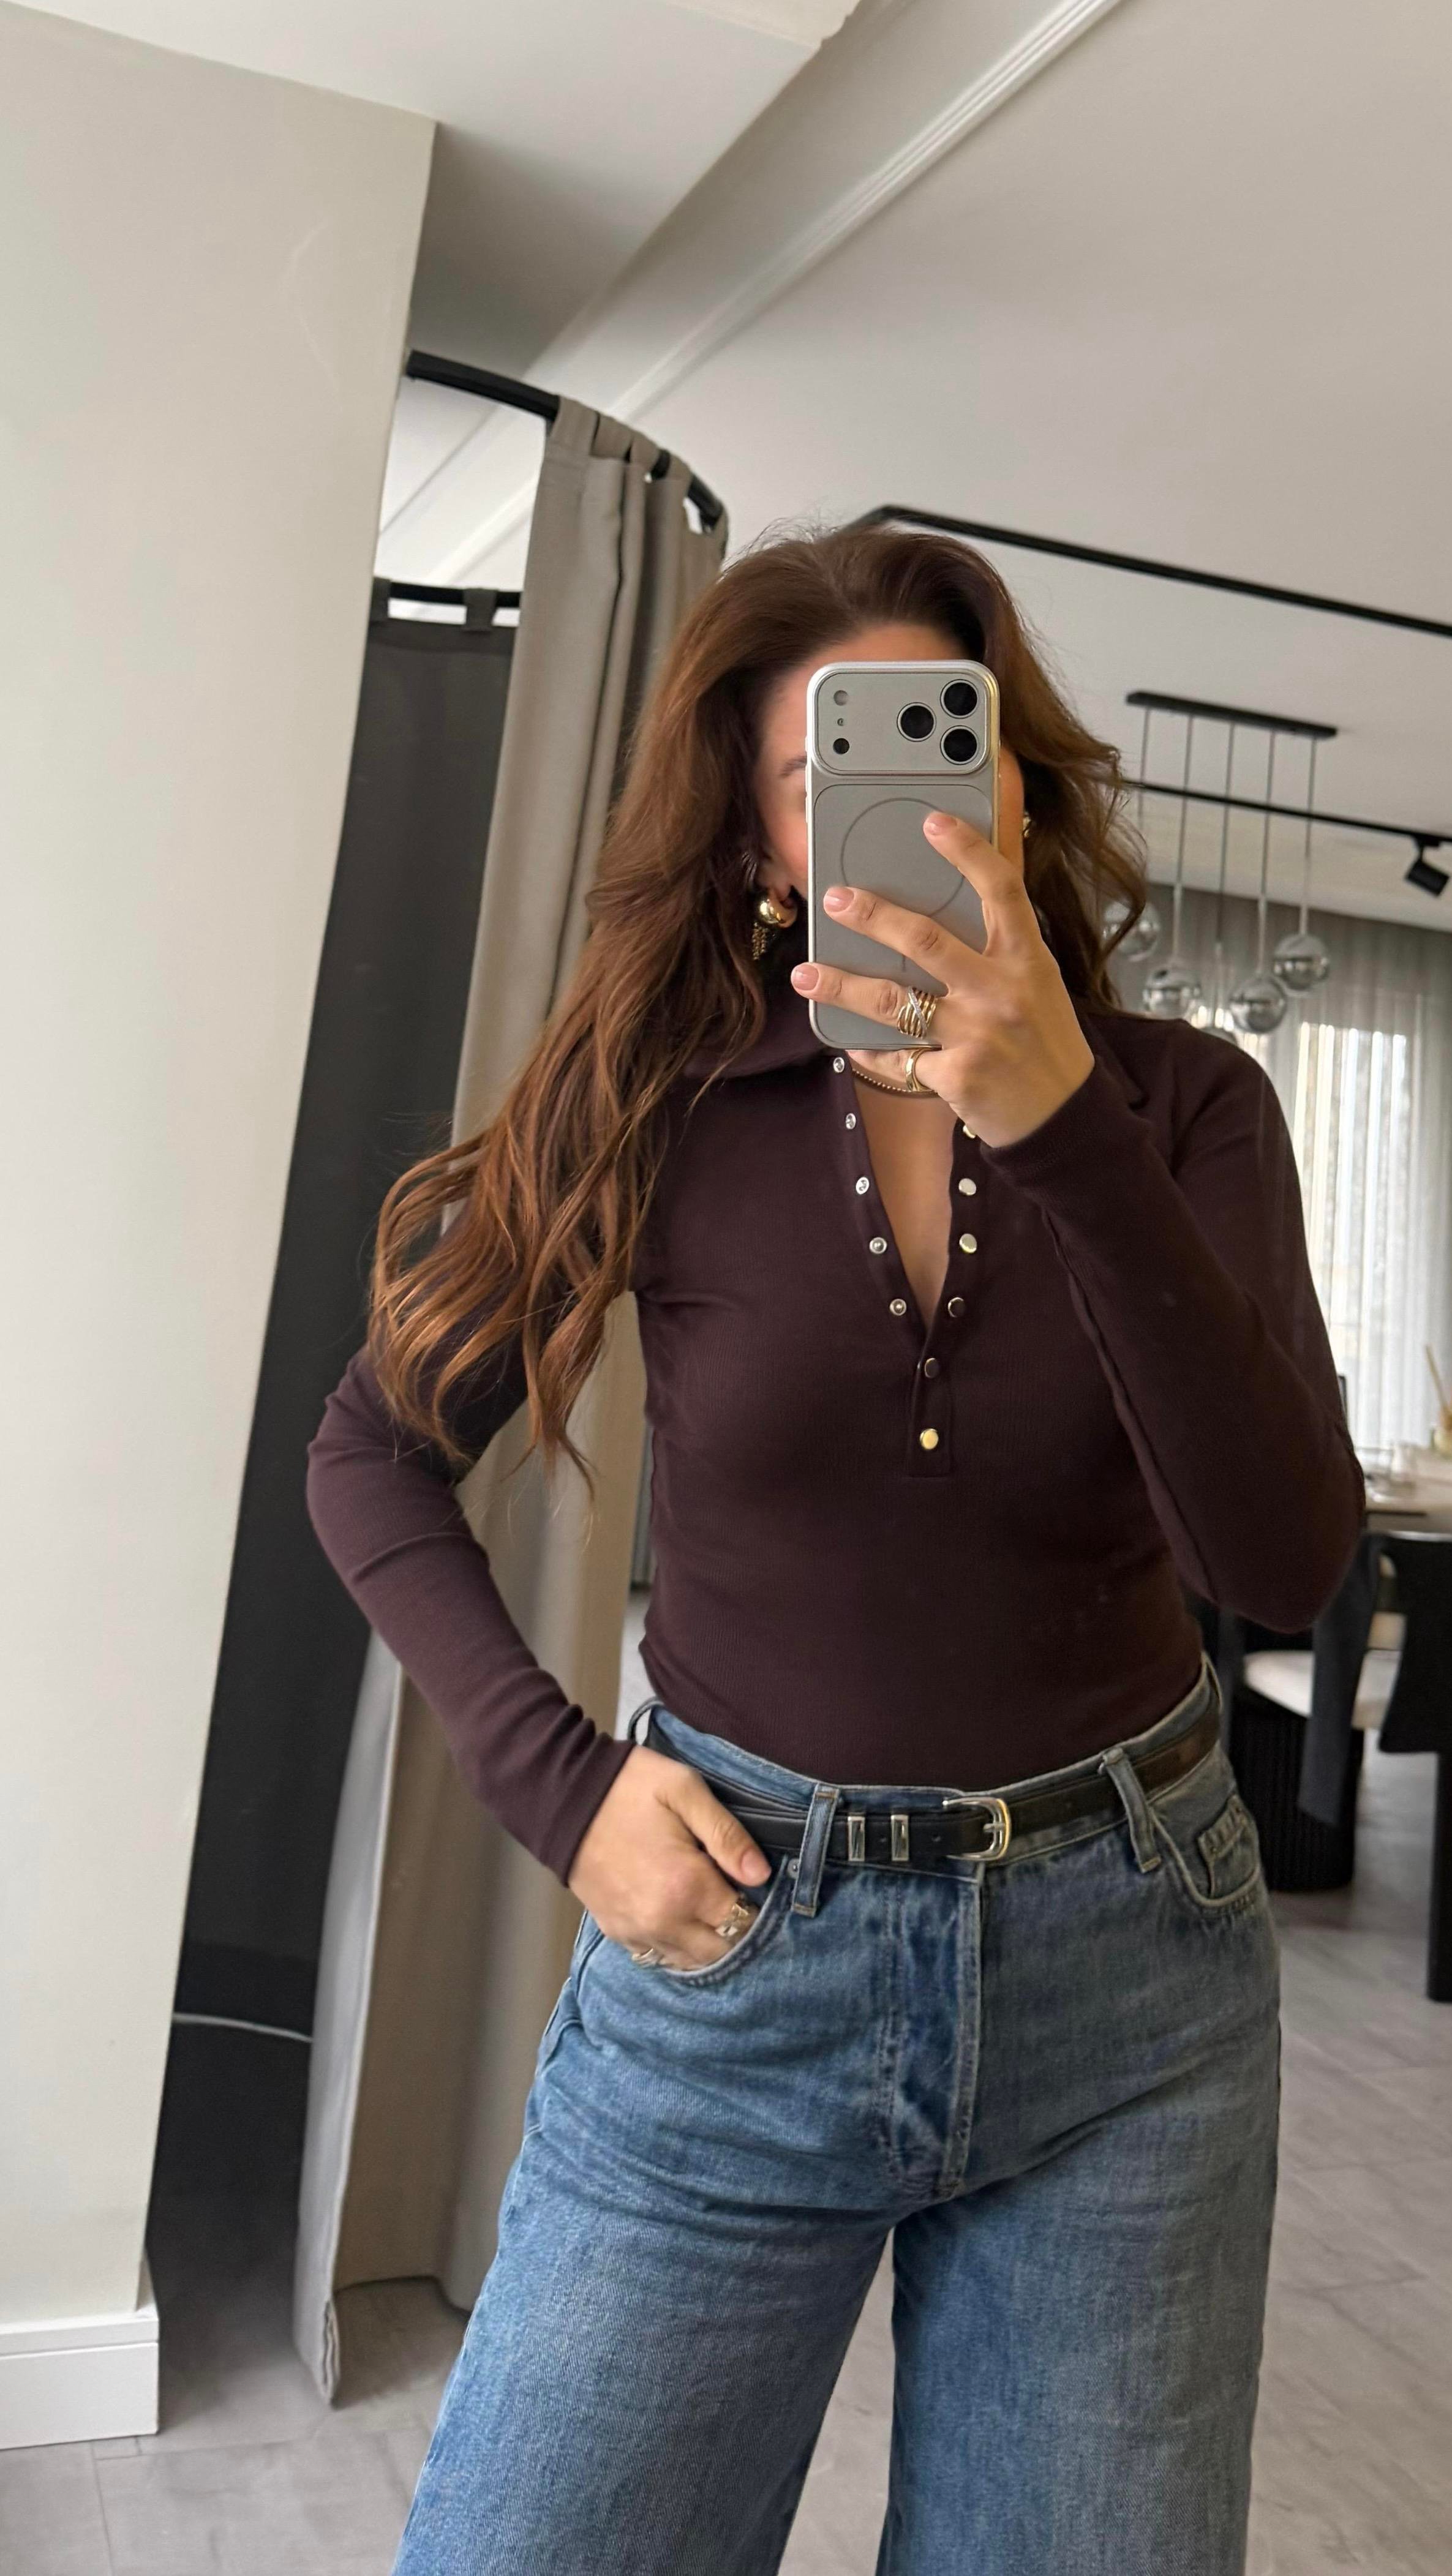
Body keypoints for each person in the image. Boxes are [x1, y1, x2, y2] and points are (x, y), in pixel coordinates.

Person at [306, 525, 1363, 2576]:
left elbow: (1282, 1566)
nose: (908, 805)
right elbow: (371, 1454)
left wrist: (1059, 1125)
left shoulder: (1187, 1107)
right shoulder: (658, 1104)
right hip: (737, 1956)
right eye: (825, 773)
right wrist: (564, 1790)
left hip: (1132, 1982)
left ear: (1019, 792)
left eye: (950, 746)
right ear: (760, 846)